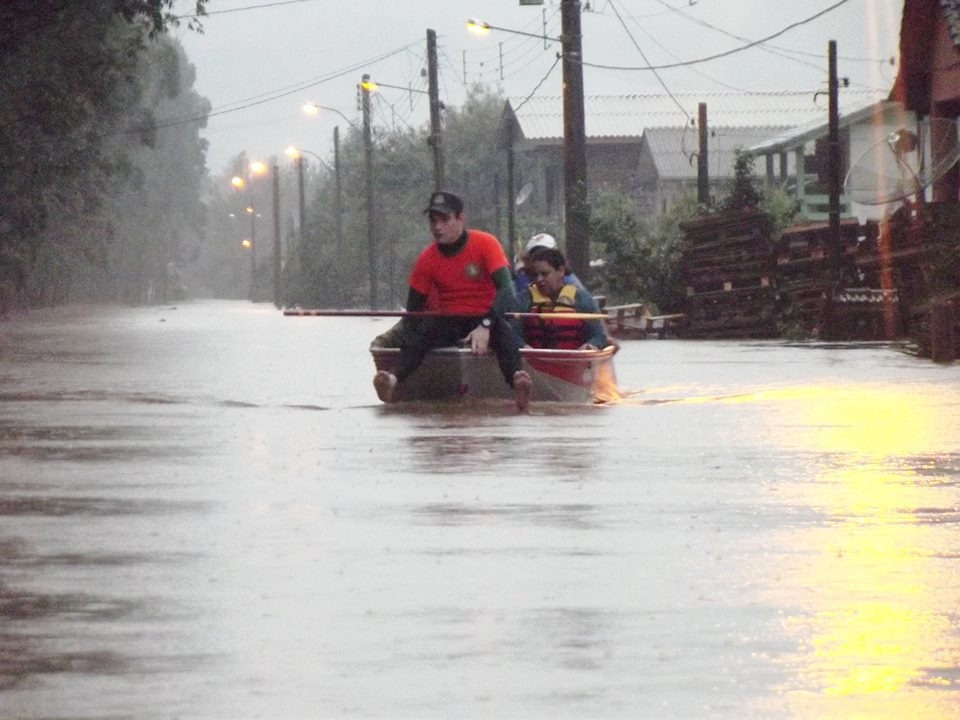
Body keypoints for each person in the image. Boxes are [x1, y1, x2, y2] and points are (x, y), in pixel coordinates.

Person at [372, 191, 532, 410]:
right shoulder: (426, 259)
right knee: (422, 333)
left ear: (460, 219)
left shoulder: (486, 243)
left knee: (504, 335)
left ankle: (516, 380)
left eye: (445, 220)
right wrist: (421, 330)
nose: (438, 227)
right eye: (433, 221)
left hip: (487, 316)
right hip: (447, 320)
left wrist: (485, 325)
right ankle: (392, 379)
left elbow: (507, 291)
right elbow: (414, 312)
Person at [516, 246, 609, 350]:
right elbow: (513, 335)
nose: (539, 279)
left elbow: (599, 336)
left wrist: (590, 345)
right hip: (535, 362)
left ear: (561, 271)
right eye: (535, 275)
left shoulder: (582, 298)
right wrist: (523, 346)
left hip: (574, 362)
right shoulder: (524, 299)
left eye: (545, 274)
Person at [514, 232, 585, 295]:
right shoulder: (521, 278)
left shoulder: (568, 279)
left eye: (546, 253)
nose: (540, 256)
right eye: (535, 254)